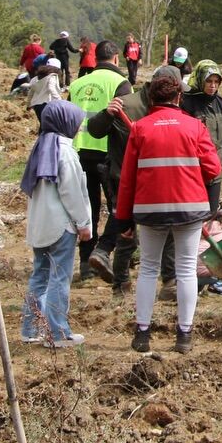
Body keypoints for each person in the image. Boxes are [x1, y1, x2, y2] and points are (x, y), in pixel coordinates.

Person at [114, 69, 222, 355]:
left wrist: (123, 219)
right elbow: (213, 169)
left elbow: (128, 179)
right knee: (186, 269)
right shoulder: (194, 126)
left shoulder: (140, 128)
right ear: (179, 97)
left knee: (148, 268)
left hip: (150, 210)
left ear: (151, 96)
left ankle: (142, 333)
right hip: (190, 208)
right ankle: (184, 335)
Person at [83, 66, 178, 294]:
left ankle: (168, 281)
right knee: (127, 232)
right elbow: (95, 130)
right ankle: (122, 284)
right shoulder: (128, 104)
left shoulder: (169, 108)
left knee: (162, 228)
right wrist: (107, 113)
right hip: (125, 177)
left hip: (155, 176)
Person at [19, 101, 92, 347]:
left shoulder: (40, 147)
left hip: (40, 225)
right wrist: (83, 224)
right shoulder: (65, 152)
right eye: (77, 121)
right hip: (61, 226)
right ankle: (57, 333)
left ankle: (30, 329)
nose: (79, 126)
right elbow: (72, 192)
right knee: (59, 278)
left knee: (39, 276)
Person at [66, 40, 130, 280]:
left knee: (87, 209)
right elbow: (125, 121)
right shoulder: (120, 83)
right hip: (107, 152)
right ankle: (103, 251)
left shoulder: (77, 83)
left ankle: (85, 263)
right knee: (119, 206)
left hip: (78, 152)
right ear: (116, 59)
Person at [180, 60, 222, 298]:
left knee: (210, 219)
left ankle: (210, 273)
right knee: (193, 221)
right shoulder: (188, 103)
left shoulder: (221, 103)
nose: (213, 86)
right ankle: (189, 271)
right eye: (209, 81)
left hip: (216, 170)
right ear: (200, 79)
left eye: (216, 82)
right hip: (193, 171)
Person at [27, 57, 64, 128]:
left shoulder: (35, 78)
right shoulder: (52, 76)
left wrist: (28, 105)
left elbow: (31, 92)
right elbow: (51, 88)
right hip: (47, 104)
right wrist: (60, 101)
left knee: (43, 125)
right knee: (48, 127)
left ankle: (41, 138)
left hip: (36, 106)